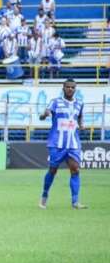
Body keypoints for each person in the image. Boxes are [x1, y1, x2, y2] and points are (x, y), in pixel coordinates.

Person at [39, 79, 86, 209]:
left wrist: (82, 124)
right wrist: (44, 115)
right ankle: (44, 195)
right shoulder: (55, 102)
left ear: (75, 89)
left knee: (75, 169)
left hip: (73, 142)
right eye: (68, 87)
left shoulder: (80, 103)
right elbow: (45, 113)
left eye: (72, 87)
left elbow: (80, 116)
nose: (70, 89)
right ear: (63, 88)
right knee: (53, 170)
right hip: (56, 142)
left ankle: (75, 202)